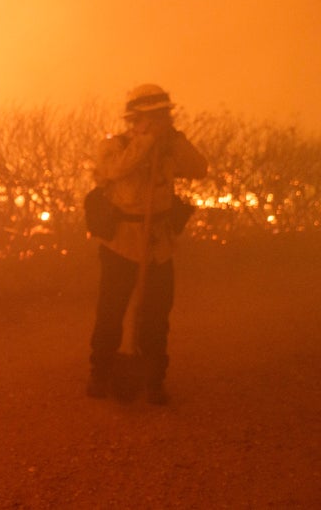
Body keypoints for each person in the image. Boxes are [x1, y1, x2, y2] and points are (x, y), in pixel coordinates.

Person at [86, 83, 207, 405]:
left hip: (158, 247)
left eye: (162, 116)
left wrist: (174, 140)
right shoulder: (114, 146)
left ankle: (154, 380)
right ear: (134, 119)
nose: (157, 123)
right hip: (121, 245)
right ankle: (101, 373)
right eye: (151, 117)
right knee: (111, 313)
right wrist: (146, 142)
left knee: (157, 316)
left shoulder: (170, 148)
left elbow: (199, 169)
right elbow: (116, 170)